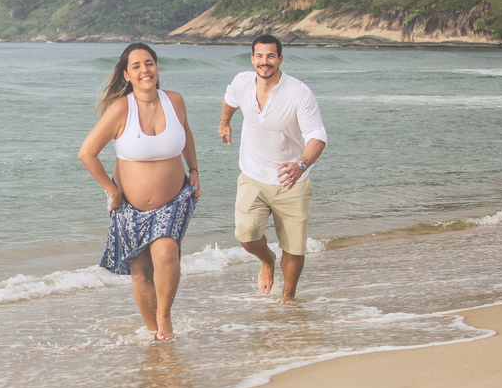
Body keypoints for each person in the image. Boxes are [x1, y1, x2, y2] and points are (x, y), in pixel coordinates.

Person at [79, 43, 201, 340]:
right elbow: (87, 153)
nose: (145, 70)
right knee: (140, 271)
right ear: (126, 75)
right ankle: (152, 330)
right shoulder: (121, 108)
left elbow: (186, 133)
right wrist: (112, 191)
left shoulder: (175, 101)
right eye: (136, 66)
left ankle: (164, 318)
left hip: (174, 200)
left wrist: (194, 170)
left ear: (156, 68)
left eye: (149, 63)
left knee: (166, 250)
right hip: (130, 207)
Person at [218, 34, 327, 304]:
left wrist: (301, 164)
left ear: (280, 58)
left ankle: (288, 298)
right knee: (246, 234)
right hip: (253, 175)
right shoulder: (242, 82)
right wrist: (224, 123)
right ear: (252, 58)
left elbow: (318, 136)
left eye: (270, 56)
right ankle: (267, 260)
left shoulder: (298, 93)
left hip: (292, 181)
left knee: (294, 246)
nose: (264, 62)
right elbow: (230, 100)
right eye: (259, 56)